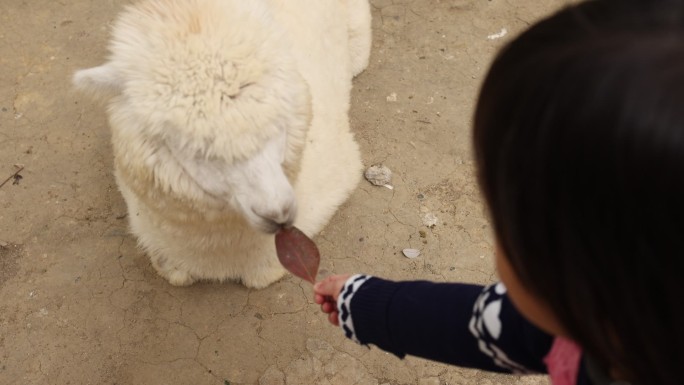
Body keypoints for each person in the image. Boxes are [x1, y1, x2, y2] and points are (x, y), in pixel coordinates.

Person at [313, 1, 684, 384]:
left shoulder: (583, 320)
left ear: (581, 277)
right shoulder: (603, 318)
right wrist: (372, 305)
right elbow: (495, 326)